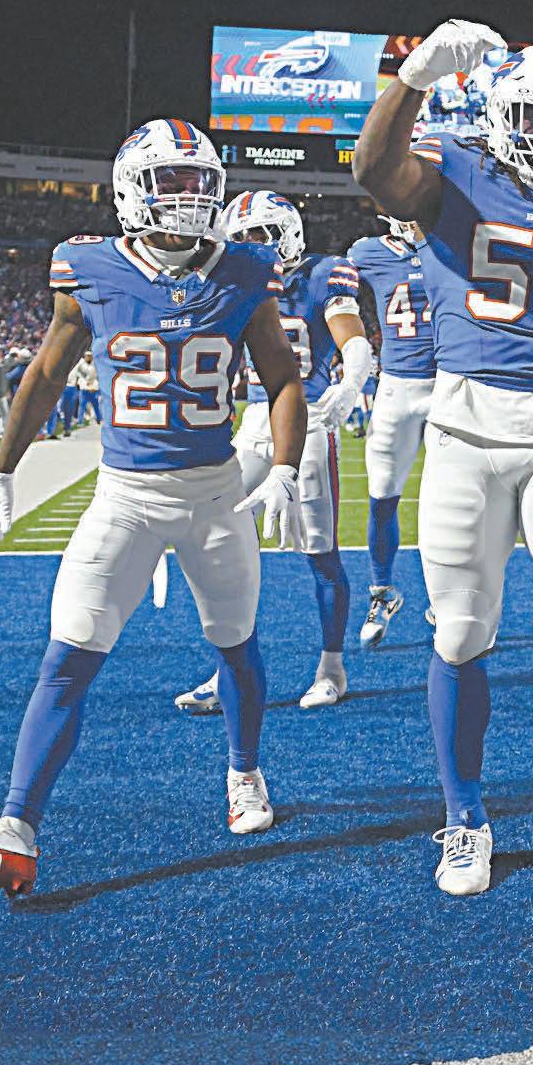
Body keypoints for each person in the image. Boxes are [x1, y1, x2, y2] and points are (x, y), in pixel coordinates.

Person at [0, 118, 307, 895]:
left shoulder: (245, 269)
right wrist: (2, 468)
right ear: (132, 189)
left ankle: (244, 773)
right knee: (68, 654)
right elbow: (46, 371)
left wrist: (287, 468)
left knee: (235, 643)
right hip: (126, 496)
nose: (191, 197)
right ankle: (15, 829)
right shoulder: (89, 267)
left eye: (201, 182)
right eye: (174, 182)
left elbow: (283, 378)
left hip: (214, 494)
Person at [355, 29, 533, 893]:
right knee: (462, 631)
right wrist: (412, 80)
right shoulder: (455, 166)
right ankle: (465, 814)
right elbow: (374, 170)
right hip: (465, 429)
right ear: (502, 113)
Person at [173, 191, 371, 713]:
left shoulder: (325, 273)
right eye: (242, 238)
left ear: (289, 232)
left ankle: (331, 669)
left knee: (320, 551)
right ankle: (228, 672)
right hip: (254, 422)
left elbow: (353, 339)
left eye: (263, 234)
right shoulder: (237, 282)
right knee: (219, 538)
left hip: (309, 421)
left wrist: (351, 382)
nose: (254, 245)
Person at [347, 209, 437, 646]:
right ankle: (382, 593)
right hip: (397, 388)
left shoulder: (455, 244)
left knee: (450, 502)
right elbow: (328, 294)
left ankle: (448, 598)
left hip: (450, 385)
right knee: (382, 496)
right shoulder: (367, 252)